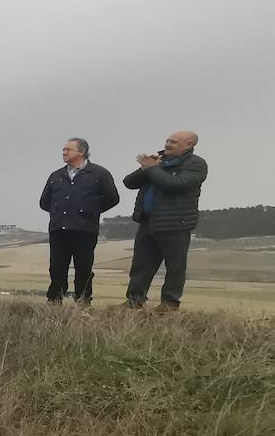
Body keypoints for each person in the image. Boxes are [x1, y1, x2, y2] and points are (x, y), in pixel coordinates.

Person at [121, 130, 208, 312]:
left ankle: (169, 304)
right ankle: (134, 301)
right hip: (148, 222)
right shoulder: (158, 162)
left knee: (174, 267)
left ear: (189, 145)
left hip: (176, 223)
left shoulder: (196, 164)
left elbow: (175, 185)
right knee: (140, 265)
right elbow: (129, 182)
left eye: (174, 142)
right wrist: (146, 166)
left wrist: (152, 168)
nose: (167, 144)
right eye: (167, 140)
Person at [39, 137, 120, 306]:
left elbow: (113, 198)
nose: (64, 152)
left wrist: (90, 211)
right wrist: (59, 213)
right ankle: (54, 299)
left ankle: (83, 300)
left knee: (83, 267)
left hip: (85, 229)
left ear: (81, 152)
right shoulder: (56, 176)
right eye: (63, 149)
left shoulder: (99, 174)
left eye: (68, 149)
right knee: (56, 267)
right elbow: (44, 202)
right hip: (59, 229)